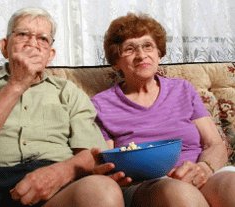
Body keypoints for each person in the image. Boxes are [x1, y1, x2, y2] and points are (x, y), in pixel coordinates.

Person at [0, 7, 124, 207]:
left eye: (43, 38)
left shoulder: (69, 92)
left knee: (103, 192)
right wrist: (16, 84)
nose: (32, 43)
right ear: (4, 47)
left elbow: (94, 155)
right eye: (23, 34)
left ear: (50, 54)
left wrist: (61, 173)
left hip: (55, 183)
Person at [91, 12, 235, 207]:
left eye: (148, 46)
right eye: (130, 49)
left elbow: (214, 144)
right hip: (147, 184)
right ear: (116, 61)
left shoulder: (183, 89)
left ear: (159, 52)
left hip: (199, 173)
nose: (141, 55)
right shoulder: (101, 104)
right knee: (178, 193)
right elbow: (106, 162)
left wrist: (204, 168)